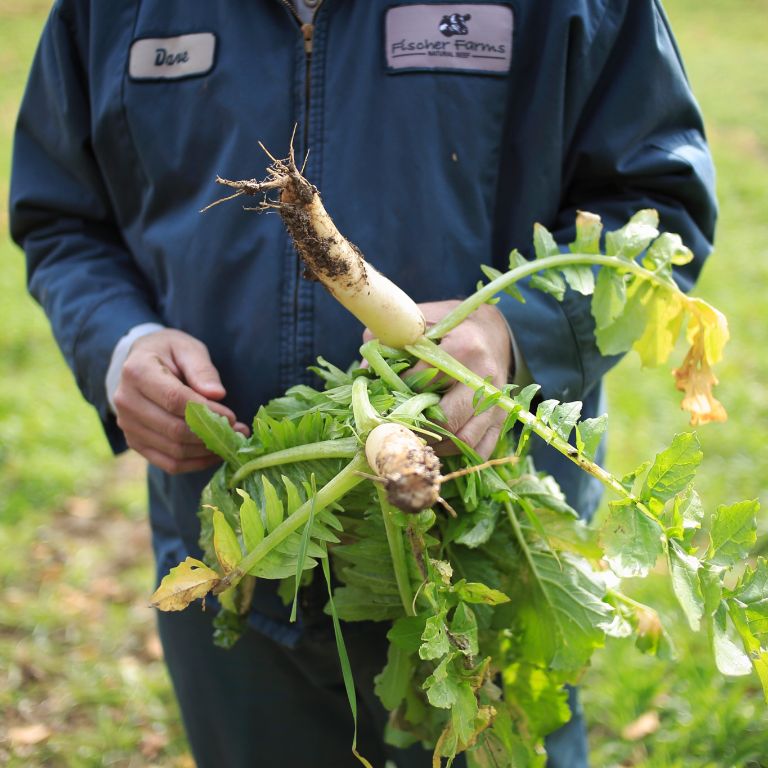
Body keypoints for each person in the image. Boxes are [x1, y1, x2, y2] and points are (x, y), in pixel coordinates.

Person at [10, 1, 716, 766]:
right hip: (234, 545)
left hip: (475, 555)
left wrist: (514, 330)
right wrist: (121, 343)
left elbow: (658, 207)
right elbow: (63, 220)